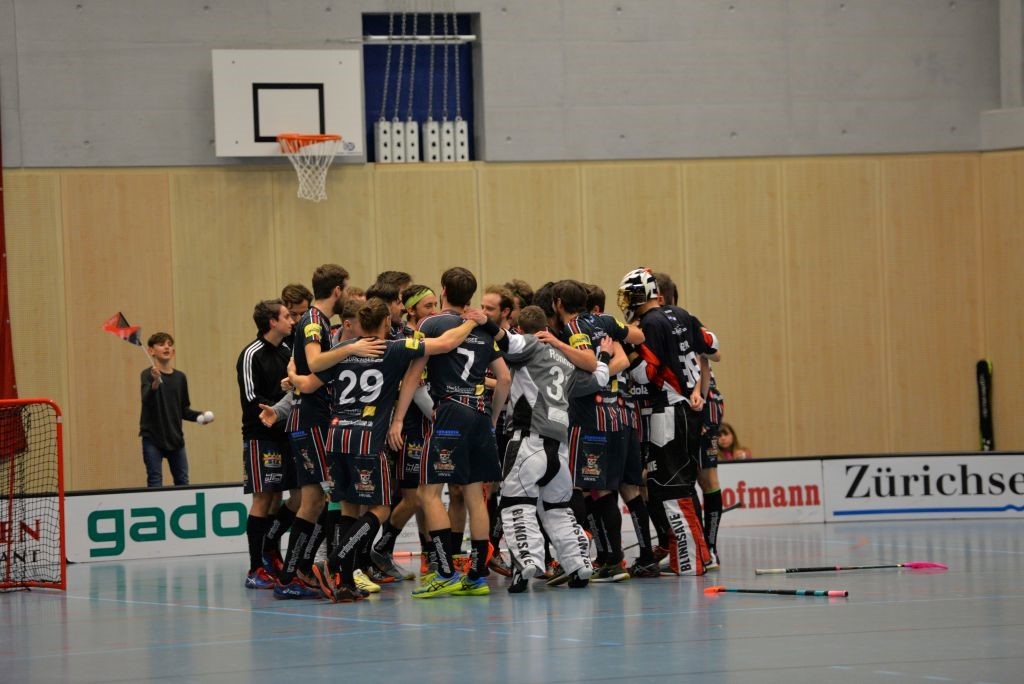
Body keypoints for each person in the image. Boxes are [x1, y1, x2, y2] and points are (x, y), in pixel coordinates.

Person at [305, 298, 488, 602]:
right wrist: (471, 321)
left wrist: (295, 373)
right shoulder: (394, 348)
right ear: (387, 323)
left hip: (336, 437)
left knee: (349, 508)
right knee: (380, 509)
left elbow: (310, 378)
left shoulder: (344, 349)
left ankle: (345, 581)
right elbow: (445, 343)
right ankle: (334, 562)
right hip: (367, 438)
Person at [388, 267, 511, 599]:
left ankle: (445, 572)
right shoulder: (484, 327)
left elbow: (413, 375)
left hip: (450, 411)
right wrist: (492, 417)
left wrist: (398, 419)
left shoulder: (432, 324)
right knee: (474, 495)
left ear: (443, 290)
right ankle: (476, 576)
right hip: (479, 411)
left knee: (429, 494)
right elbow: (504, 379)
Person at [501, 305, 607, 592]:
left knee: (516, 503)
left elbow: (502, 340)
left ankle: (526, 563)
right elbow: (600, 378)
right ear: (546, 328)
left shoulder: (528, 344)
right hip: (559, 448)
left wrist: (482, 320)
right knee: (558, 508)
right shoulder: (566, 360)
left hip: (528, 439)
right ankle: (580, 565)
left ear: (521, 330)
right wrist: (606, 356)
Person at [237, 299, 294, 589]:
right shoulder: (251, 354)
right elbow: (251, 398)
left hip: (285, 433)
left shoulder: (286, 351)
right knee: (263, 498)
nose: (292, 321)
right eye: (286, 316)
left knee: (278, 497)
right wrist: (278, 406)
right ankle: (255, 568)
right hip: (260, 435)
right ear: (272, 322)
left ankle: (271, 552)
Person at [138, 332, 211, 487]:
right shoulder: (147, 374)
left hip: (176, 439)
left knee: (182, 482)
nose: (166, 347)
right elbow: (146, 400)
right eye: (161, 344)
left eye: (169, 345)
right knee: (155, 481)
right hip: (152, 439)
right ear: (151, 351)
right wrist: (155, 382)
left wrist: (200, 416)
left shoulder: (180, 378)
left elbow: (183, 410)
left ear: (173, 351)